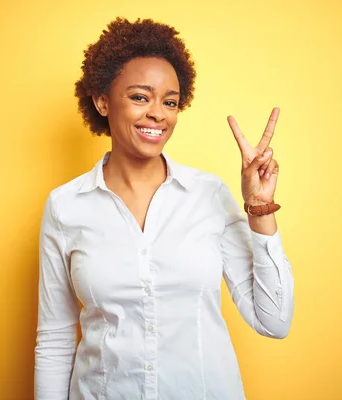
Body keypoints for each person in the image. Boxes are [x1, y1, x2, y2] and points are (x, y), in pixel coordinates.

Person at [34, 17, 294, 400]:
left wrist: (259, 208)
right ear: (102, 101)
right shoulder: (65, 206)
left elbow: (274, 320)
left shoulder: (208, 195)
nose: (159, 113)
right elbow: (55, 339)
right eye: (140, 97)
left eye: (170, 102)